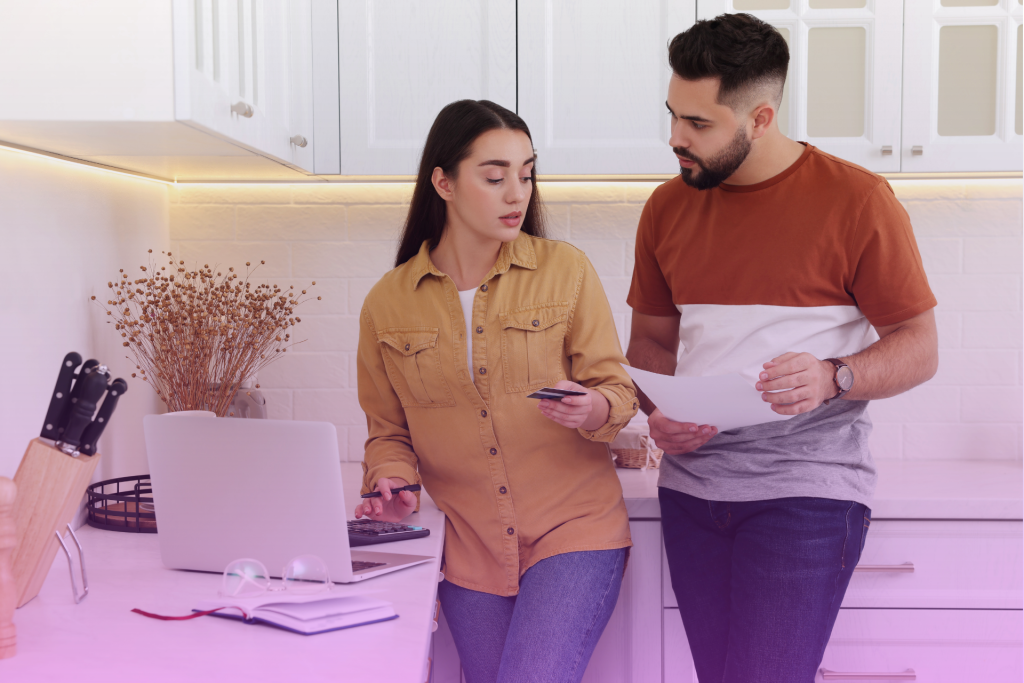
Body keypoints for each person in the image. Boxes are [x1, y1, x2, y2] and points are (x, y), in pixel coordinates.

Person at [625, 14, 939, 683]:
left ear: (761, 117)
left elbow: (919, 346)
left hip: (806, 492)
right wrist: (659, 407)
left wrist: (836, 375)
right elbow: (652, 342)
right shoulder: (665, 209)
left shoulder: (858, 201)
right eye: (674, 115)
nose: (676, 138)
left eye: (700, 124)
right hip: (692, 491)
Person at [353, 99, 638, 683]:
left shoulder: (566, 271)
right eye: (495, 176)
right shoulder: (388, 302)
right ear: (444, 182)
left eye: (527, 173)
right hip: (469, 547)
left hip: (575, 531)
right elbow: (388, 431)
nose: (518, 193)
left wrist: (594, 408)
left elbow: (617, 388)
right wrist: (391, 479)